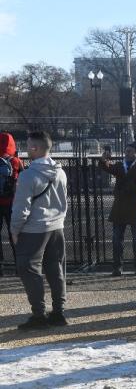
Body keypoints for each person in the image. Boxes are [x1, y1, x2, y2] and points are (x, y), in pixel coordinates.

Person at [10, 131, 68, 330]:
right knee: (55, 268)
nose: (26, 149)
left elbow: (21, 208)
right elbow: (64, 200)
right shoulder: (60, 172)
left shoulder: (28, 176)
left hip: (34, 229)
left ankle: (39, 315)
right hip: (57, 226)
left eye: (28, 146)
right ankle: (58, 312)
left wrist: (15, 230)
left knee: (29, 269)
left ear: (35, 148)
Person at [100, 144, 136, 276]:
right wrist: (103, 159)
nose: (127, 153)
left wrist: (129, 187)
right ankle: (117, 267)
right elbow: (107, 167)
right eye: (126, 151)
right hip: (120, 207)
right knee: (117, 240)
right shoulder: (120, 166)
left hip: (135, 207)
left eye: (130, 151)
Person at [0, 132, 24, 271]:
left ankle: (1, 268)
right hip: (12, 203)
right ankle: (19, 266)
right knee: (14, 234)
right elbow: (23, 179)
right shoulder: (16, 161)